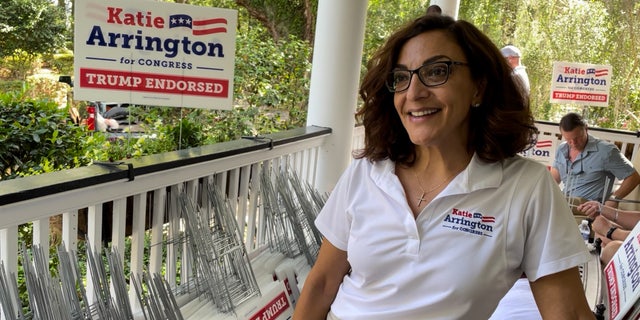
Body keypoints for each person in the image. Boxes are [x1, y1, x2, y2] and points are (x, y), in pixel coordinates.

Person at [293, 14, 594, 319]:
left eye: (436, 72)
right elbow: (322, 283)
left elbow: (570, 313)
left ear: (478, 87)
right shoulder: (367, 172)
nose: (413, 93)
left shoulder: (525, 188)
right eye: (401, 77)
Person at [550, 113, 640, 209]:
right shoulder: (562, 149)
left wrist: (613, 198)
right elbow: (553, 180)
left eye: (577, 138)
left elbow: (633, 177)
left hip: (590, 209)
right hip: (566, 204)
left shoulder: (605, 151)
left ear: (586, 129)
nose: (573, 143)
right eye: (568, 139)